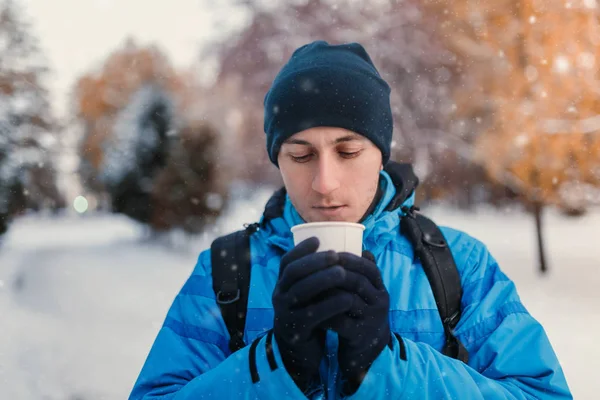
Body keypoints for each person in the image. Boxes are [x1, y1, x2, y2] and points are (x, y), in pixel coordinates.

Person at [129, 41, 572, 399]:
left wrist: (388, 365)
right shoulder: (227, 269)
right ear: (277, 161)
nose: (325, 183)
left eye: (348, 152)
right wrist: (276, 365)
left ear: (382, 153)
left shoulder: (458, 265)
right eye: (300, 155)